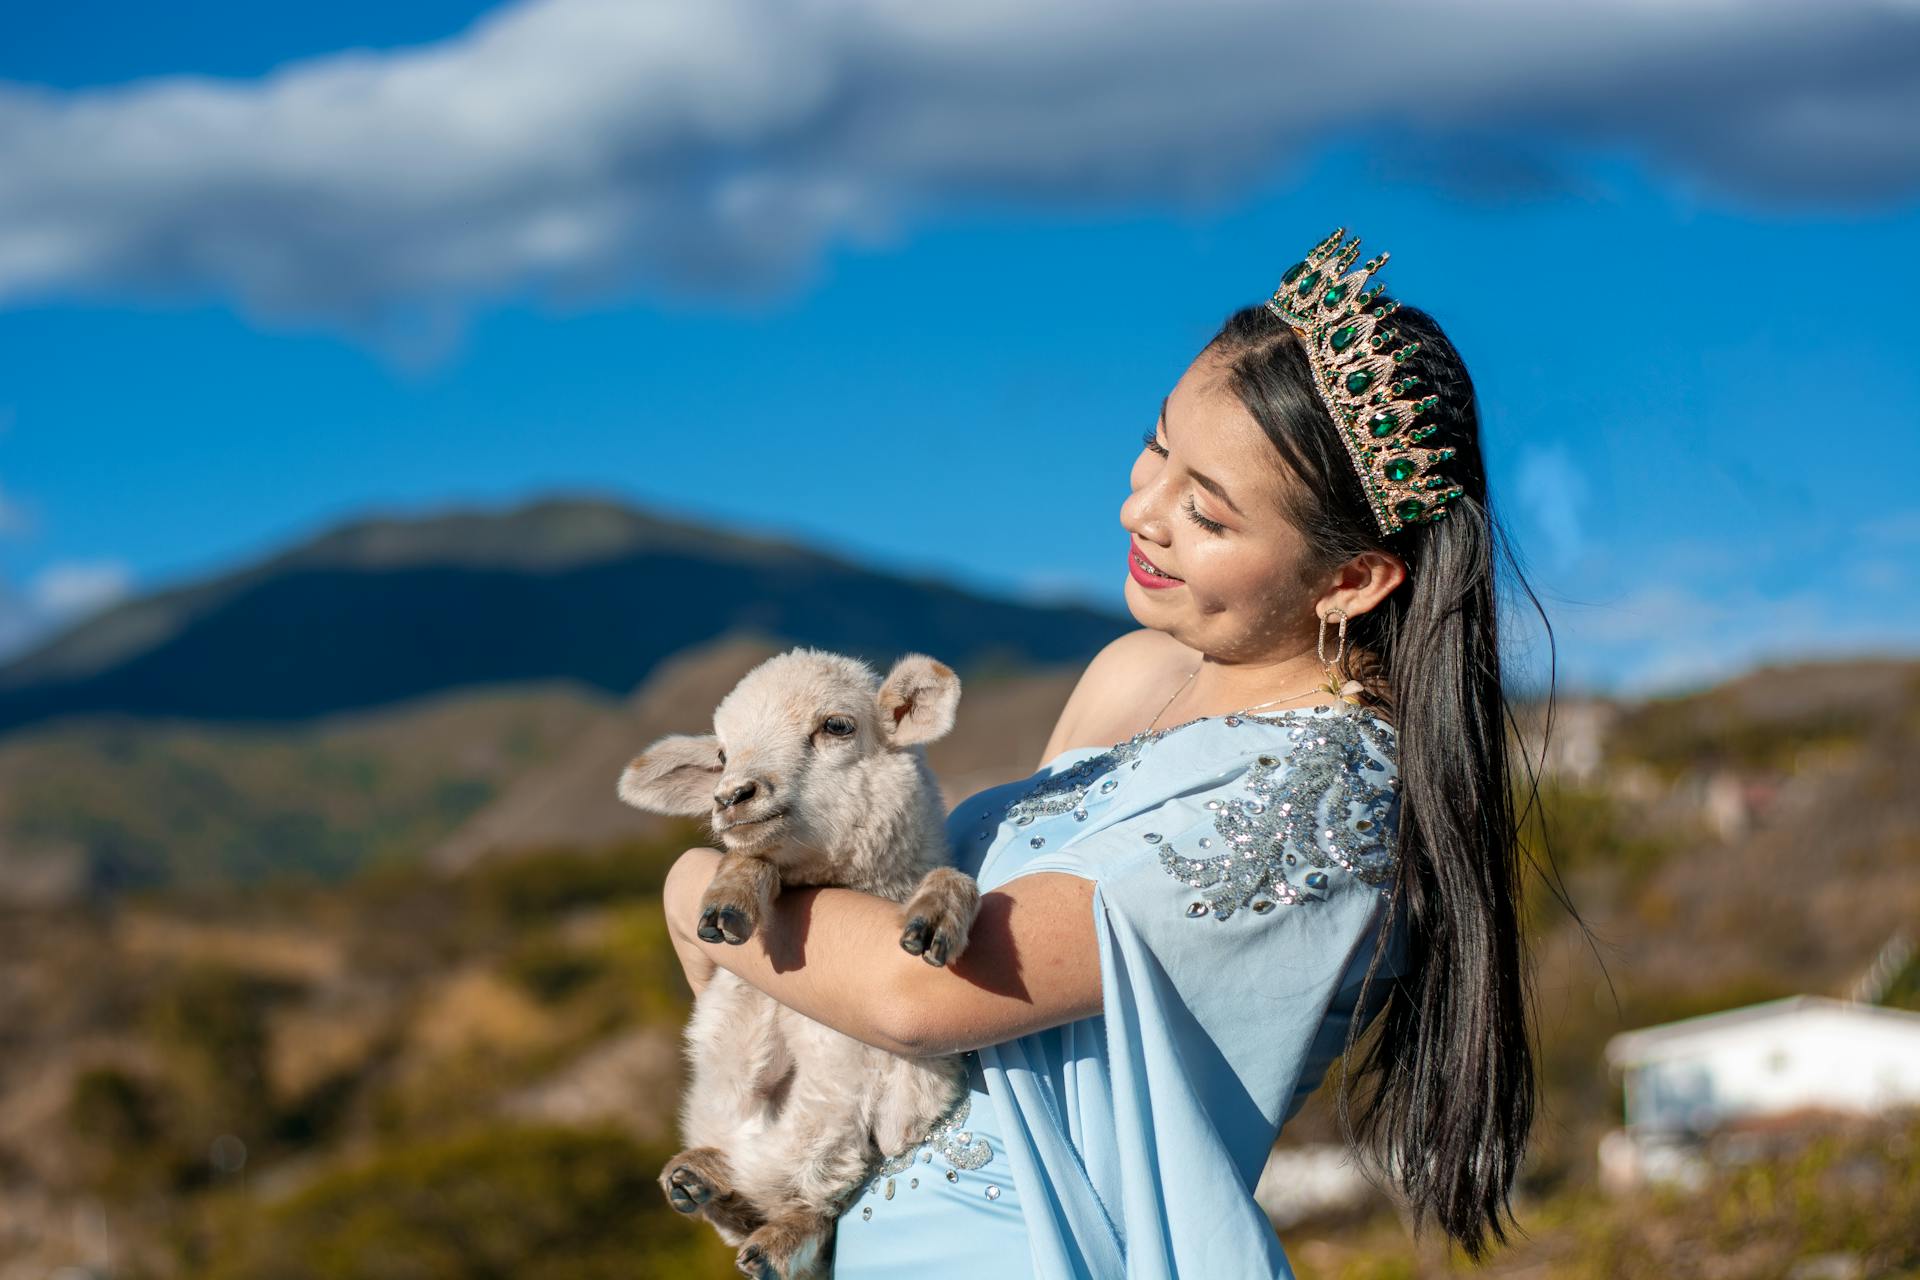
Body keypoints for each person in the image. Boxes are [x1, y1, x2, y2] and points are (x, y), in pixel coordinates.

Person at [663, 227, 1545, 1278]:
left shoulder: (1335, 792)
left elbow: (915, 995)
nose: (1141, 508)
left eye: (1206, 512)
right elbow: (842, 1001)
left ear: (1351, 579)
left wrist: (700, 885)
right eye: (1157, 446)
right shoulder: (1132, 675)